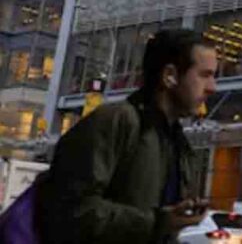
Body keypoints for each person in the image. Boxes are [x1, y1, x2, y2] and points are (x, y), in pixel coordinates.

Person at [38, 28, 218, 243]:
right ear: (170, 76)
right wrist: (157, 222)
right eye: (204, 75)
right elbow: (70, 211)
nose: (212, 88)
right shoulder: (115, 122)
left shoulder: (179, 144)